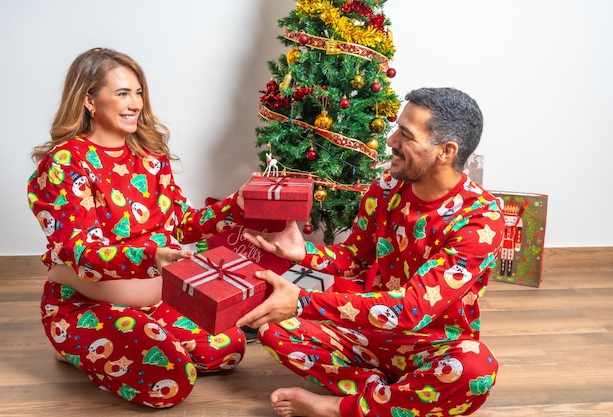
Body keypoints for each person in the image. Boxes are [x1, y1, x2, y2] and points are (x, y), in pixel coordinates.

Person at [237, 87, 505, 417]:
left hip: (433, 347)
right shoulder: (386, 187)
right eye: (397, 128)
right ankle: (391, 399)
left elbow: (412, 309)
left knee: (475, 369)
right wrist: (302, 252)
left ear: (445, 152)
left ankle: (340, 407)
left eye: (405, 135)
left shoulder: (481, 218)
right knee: (273, 329)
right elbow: (356, 259)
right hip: (368, 336)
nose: (391, 141)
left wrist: (304, 300)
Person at [27, 47, 251, 408]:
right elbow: (80, 253)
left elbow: (182, 222)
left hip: (156, 303)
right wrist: (152, 256)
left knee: (229, 347)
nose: (136, 103)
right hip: (84, 306)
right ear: (89, 100)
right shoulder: (66, 162)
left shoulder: (149, 154)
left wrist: (235, 206)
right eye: (122, 93)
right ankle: (72, 343)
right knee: (171, 381)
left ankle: (149, 340)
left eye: (139, 92)